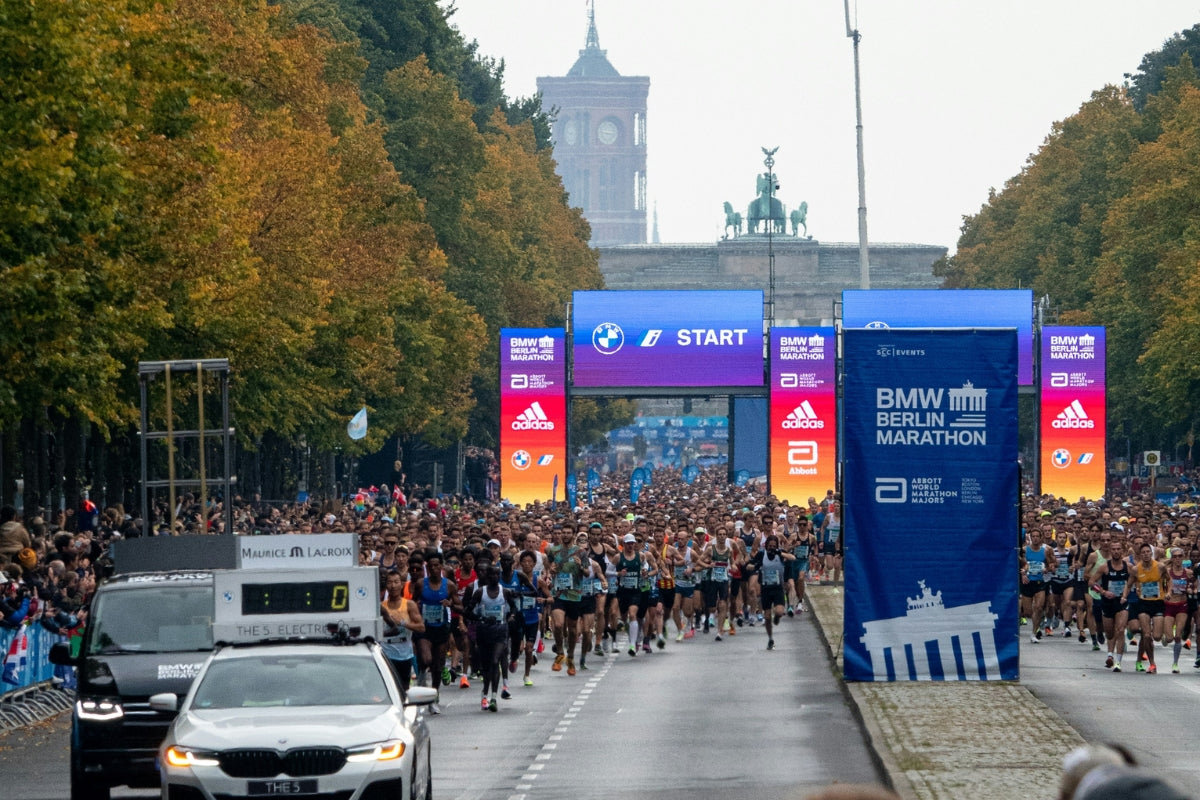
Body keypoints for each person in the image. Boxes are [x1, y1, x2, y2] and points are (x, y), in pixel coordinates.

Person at [464, 564, 518, 712]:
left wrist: (511, 616)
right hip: (484, 632)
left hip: (500, 631)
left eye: (497, 575)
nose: (495, 577)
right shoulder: (480, 593)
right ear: (487, 577)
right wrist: (481, 618)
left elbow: (513, 607)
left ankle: (494, 697)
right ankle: (485, 693)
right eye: (492, 575)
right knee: (486, 666)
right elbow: (467, 612)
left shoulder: (505, 592)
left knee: (496, 661)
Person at [742, 533, 795, 650]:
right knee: (767, 617)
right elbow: (748, 566)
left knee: (779, 611)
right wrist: (756, 566)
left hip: (777, 588)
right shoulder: (761, 554)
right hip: (765, 588)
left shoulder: (780, 554)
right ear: (766, 546)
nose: (771, 548)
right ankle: (770, 639)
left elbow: (792, 558)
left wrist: (779, 552)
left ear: (777, 546)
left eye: (774, 546)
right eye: (770, 546)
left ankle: (777, 617)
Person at [379, 570, 425, 699]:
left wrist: (403, 623)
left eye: (396, 582)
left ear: (401, 585)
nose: (393, 586)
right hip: (386, 655)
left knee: (404, 689)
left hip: (404, 655)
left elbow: (421, 627)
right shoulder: (381, 606)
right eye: (389, 582)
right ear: (386, 585)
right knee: (390, 688)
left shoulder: (409, 605)